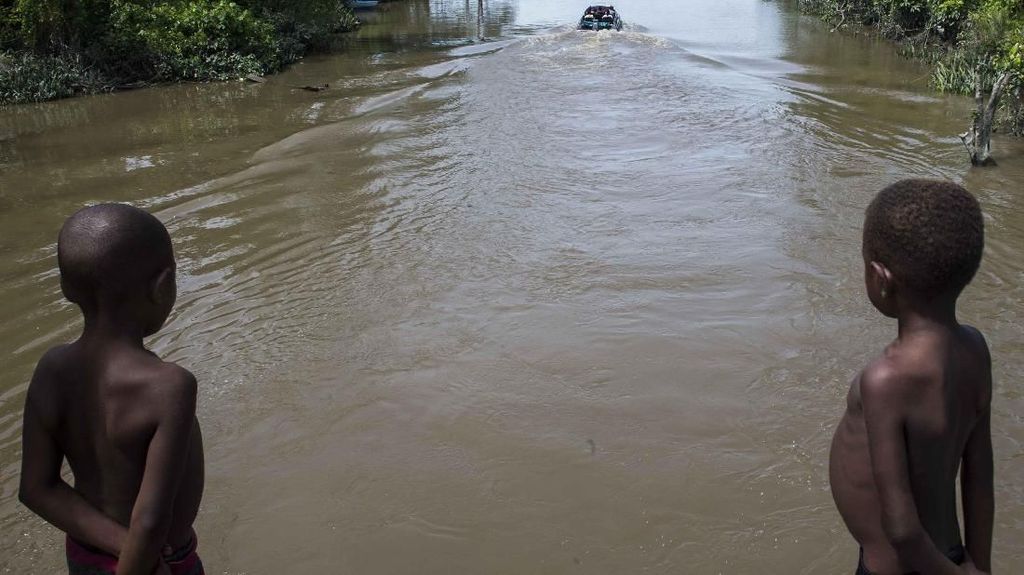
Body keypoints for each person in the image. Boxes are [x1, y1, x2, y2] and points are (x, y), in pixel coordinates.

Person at [19, 203, 205, 575]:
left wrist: (123, 547)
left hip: (88, 556)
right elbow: (150, 522)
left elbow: (36, 489)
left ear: (65, 288)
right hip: (159, 563)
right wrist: (142, 558)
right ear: (162, 286)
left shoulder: (51, 369)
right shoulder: (170, 386)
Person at [830, 179, 993, 575]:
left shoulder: (885, 380)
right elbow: (980, 473)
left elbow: (901, 531)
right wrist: (979, 566)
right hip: (949, 554)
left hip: (898, 566)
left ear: (880, 278)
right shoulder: (975, 348)